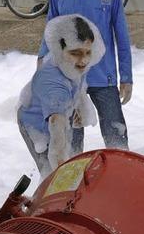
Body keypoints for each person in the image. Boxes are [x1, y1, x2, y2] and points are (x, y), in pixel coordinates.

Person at [38, 0, 133, 153]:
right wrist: (42, 61)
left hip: (104, 77)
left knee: (116, 135)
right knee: (70, 140)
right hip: (67, 78)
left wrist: (127, 76)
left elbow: (121, 35)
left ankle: (120, 176)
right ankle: (73, 182)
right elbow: (51, 29)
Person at [18, 14, 105, 177]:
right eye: (76, 53)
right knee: (50, 173)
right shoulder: (53, 84)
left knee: (72, 163)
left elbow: (78, 85)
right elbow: (57, 136)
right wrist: (62, 172)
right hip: (35, 124)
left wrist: (78, 106)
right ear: (59, 49)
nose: (84, 60)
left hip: (59, 112)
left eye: (87, 52)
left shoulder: (72, 64)